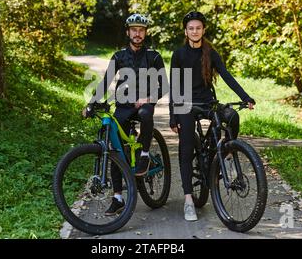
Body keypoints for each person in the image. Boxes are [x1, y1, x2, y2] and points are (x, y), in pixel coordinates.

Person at [169, 11, 255, 221]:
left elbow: (226, 76)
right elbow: (175, 87)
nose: (195, 31)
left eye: (198, 28)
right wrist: (173, 115)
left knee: (232, 116)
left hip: (208, 102)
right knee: (187, 147)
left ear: (203, 30)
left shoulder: (211, 53)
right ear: (186, 31)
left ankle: (221, 154)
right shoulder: (179, 54)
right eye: (191, 28)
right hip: (186, 105)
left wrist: (245, 97)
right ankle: (189, 199)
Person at [86, 13, 168, 216]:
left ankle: (145, 154)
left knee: (146, 114)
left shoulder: (154, 56)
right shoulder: (118, 56)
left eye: (141, 30)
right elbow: (105, 82)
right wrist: (91, 104)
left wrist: (148, 98)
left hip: (145, 103)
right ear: (128, 32)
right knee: (116, 148)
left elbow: (165, 86)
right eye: (134, 30)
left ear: (145, 33)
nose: (137, 34)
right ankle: (118, 197)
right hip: (123, 106)